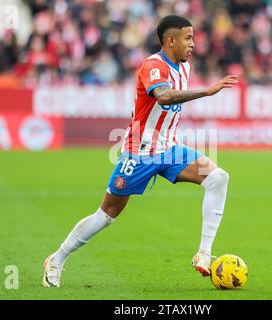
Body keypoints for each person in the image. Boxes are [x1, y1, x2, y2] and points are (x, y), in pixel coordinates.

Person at [42, 15, 239, 287]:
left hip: (169, 148)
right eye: (188, 38)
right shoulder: (153, 66)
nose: (193, 44)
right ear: (171, 40)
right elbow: (164, 96)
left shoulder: (185, 68)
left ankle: (204, 254)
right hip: (140, 153)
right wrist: (207, 92)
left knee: (218, 177)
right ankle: (57, 259)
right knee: (106, 216)